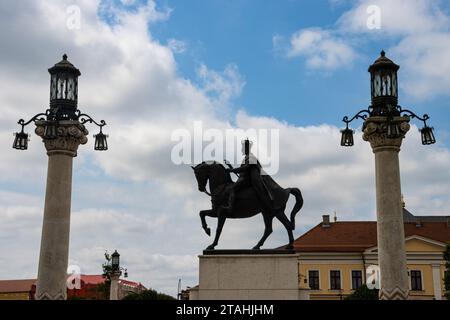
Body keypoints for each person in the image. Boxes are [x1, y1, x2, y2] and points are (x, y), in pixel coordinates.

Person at [223, 139, 273, 212]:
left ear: (247, 148)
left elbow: (244, 168)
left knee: (233, 189)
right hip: (243, 178)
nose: (242, 150)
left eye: (243, 148)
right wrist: (230, 166)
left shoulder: (251, 157)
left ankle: (230, 207)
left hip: (247, 179)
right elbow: (240, 172)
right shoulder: (247, 157)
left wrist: (231, 170)